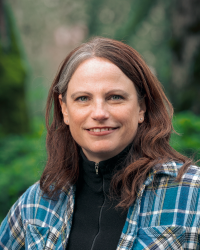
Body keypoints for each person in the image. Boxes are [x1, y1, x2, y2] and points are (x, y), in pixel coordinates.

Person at [0, 37, 200, 250]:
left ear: (142, 106)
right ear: (65, 109)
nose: (99, 113)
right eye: (83, 98)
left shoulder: (192, 194)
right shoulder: (36, 205)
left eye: (115, 97)